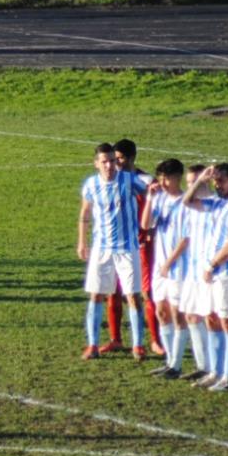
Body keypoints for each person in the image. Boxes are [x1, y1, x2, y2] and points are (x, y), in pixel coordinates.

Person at [76, 142, 144, 361]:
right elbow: (85, 213)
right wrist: (82, 242)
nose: (109, 165)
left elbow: (151, 190)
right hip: (101, 249)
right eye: (104, 161)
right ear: (96, 163)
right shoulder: (91, 185)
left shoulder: (129, 180)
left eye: (112, 161)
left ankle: (138, 345)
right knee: (96, 295)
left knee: (133, 296)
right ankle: (93, 344)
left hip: (127, 248)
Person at [181, 162, 228, 390]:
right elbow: (187, 201)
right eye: (215, 181)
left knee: (227, 322)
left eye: (222, 181)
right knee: (210, 319)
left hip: (226, 272)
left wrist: (213, 264)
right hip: (208, 273)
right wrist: (201, 180)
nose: (218, 185)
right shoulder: (215, 203)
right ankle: (215, 371)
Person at [142, 159, 190, 378]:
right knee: (161, 312)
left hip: (177, 267)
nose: (162, 181)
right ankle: (169, 360)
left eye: (166, 177)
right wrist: (150, 198)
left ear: (177, 177)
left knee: (177, 314)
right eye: (159, 176)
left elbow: (185, 239)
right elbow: (145, 224)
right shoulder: (159, 198)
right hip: (160, 267)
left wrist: (169, 263)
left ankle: (177, 364)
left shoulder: (186, 203)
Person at [108, 138, 156, 354]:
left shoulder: (145, 180)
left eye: (120, 159)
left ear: (132, 158)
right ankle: (116, 339)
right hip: (117, 245)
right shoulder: (111, 181)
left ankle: (155, 341)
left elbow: (156, 211)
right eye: (114, 159)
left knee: (144, 293)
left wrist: (150, 233)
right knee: (113, 291)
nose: (116, 164)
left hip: (141, 245)